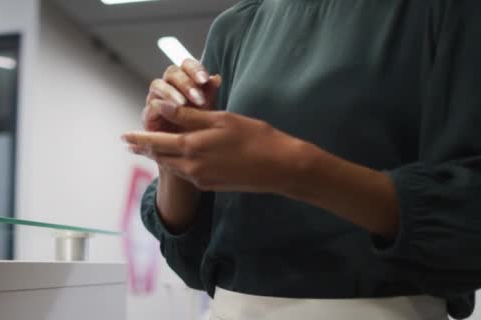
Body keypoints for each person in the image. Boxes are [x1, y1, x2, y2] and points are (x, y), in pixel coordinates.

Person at [121, 1, 481, 319]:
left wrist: (294, 168)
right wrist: (174, 160)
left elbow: (468, 221)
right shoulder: (235, 27)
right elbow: (193, 261)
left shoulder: (446, 9)